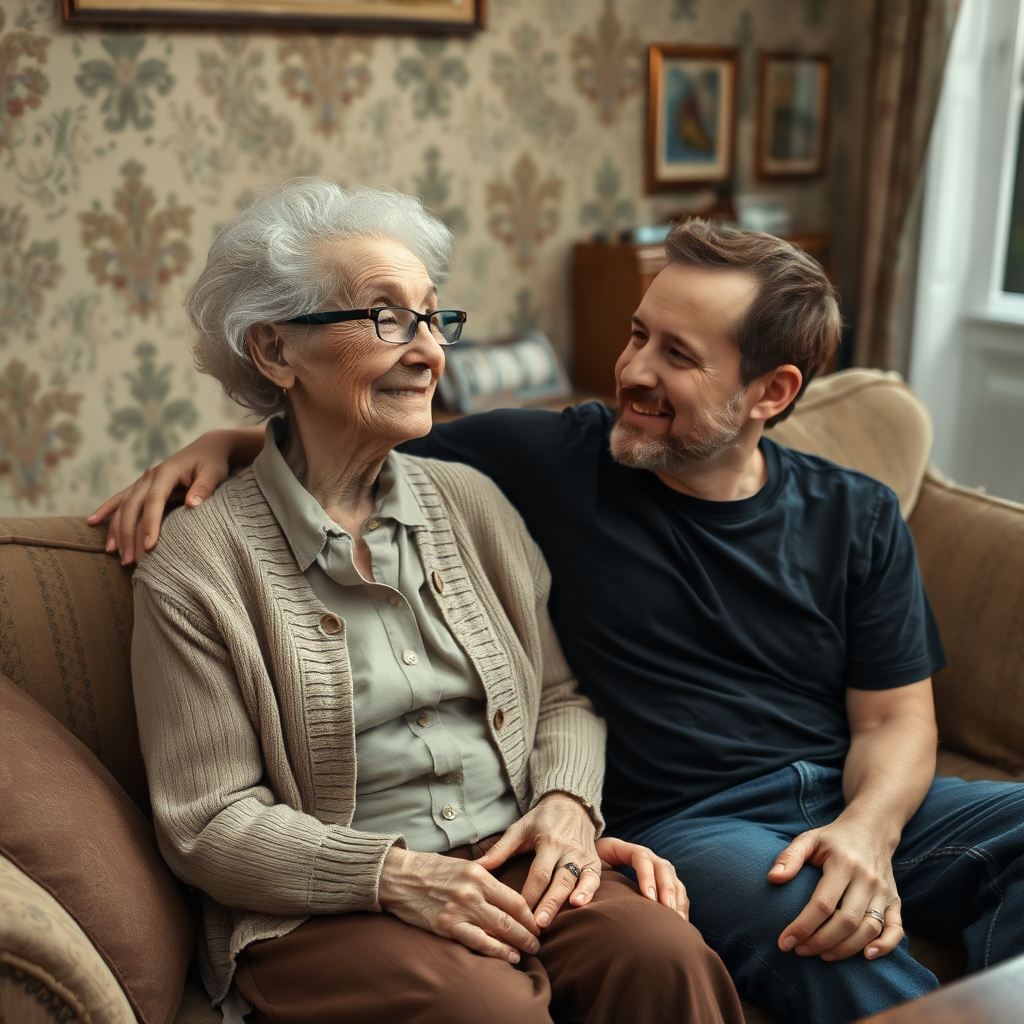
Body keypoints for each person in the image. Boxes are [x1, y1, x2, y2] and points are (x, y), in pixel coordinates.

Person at [98, 217, 1024, 1024]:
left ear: (772, 394)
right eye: (636, 335)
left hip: (824, 795)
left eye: (678, 355)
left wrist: (866, 833)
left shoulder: (854, 510)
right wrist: (229, 442)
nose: (630, 372)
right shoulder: (543, 456)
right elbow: (338, 437)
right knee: (812, 924)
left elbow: (894, 719)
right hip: (696, 823)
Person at [125, 178, 744, 1024]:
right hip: (326, 909)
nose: (428, 351)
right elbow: (210, 821)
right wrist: (394, 875)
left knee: (664, 957)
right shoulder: (196, 567)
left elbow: (563, 697)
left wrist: (565, 805)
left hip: (508, 859)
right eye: (386, 317)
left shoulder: (472, 503)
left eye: (433, 317)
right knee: (488, 1009)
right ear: (275, 352)